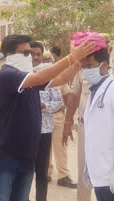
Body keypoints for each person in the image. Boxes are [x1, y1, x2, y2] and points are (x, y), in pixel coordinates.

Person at [0, 34, 95, 201]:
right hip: (6, 157)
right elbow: (39, 79)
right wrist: (72, 57)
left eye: (30, 52)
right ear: (8, 55)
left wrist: (78, 63)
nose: (30, 57)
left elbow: (59, 79)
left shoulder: (28, 77)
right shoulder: (7, 75)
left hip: (27, 155)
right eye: (24, 53)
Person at [63, 32, 114, 201]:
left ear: (104, 66)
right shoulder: (95, 91)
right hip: (101, 174)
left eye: (89, 66)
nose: (86, 70)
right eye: (83, 67)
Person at [29, 41, 64, 201]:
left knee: (42, 171)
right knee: (24, 170)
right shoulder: (22, 75)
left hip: (44, 130)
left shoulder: (49, 76)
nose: (35, 57)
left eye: (38, 54)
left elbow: (58, 102)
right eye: (32, 54)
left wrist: (44, 106)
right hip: (25, 131)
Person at [48, 46, 77, 188]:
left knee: (61, 146)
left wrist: (68, 120)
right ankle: (46, 173)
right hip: (43, 117)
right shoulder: (35, 77)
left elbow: (67, 96)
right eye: (45, 60)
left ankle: (63, 176)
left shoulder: (59, 77)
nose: (47, 62)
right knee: (44, 147)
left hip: (58, 115)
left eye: (49, 60)